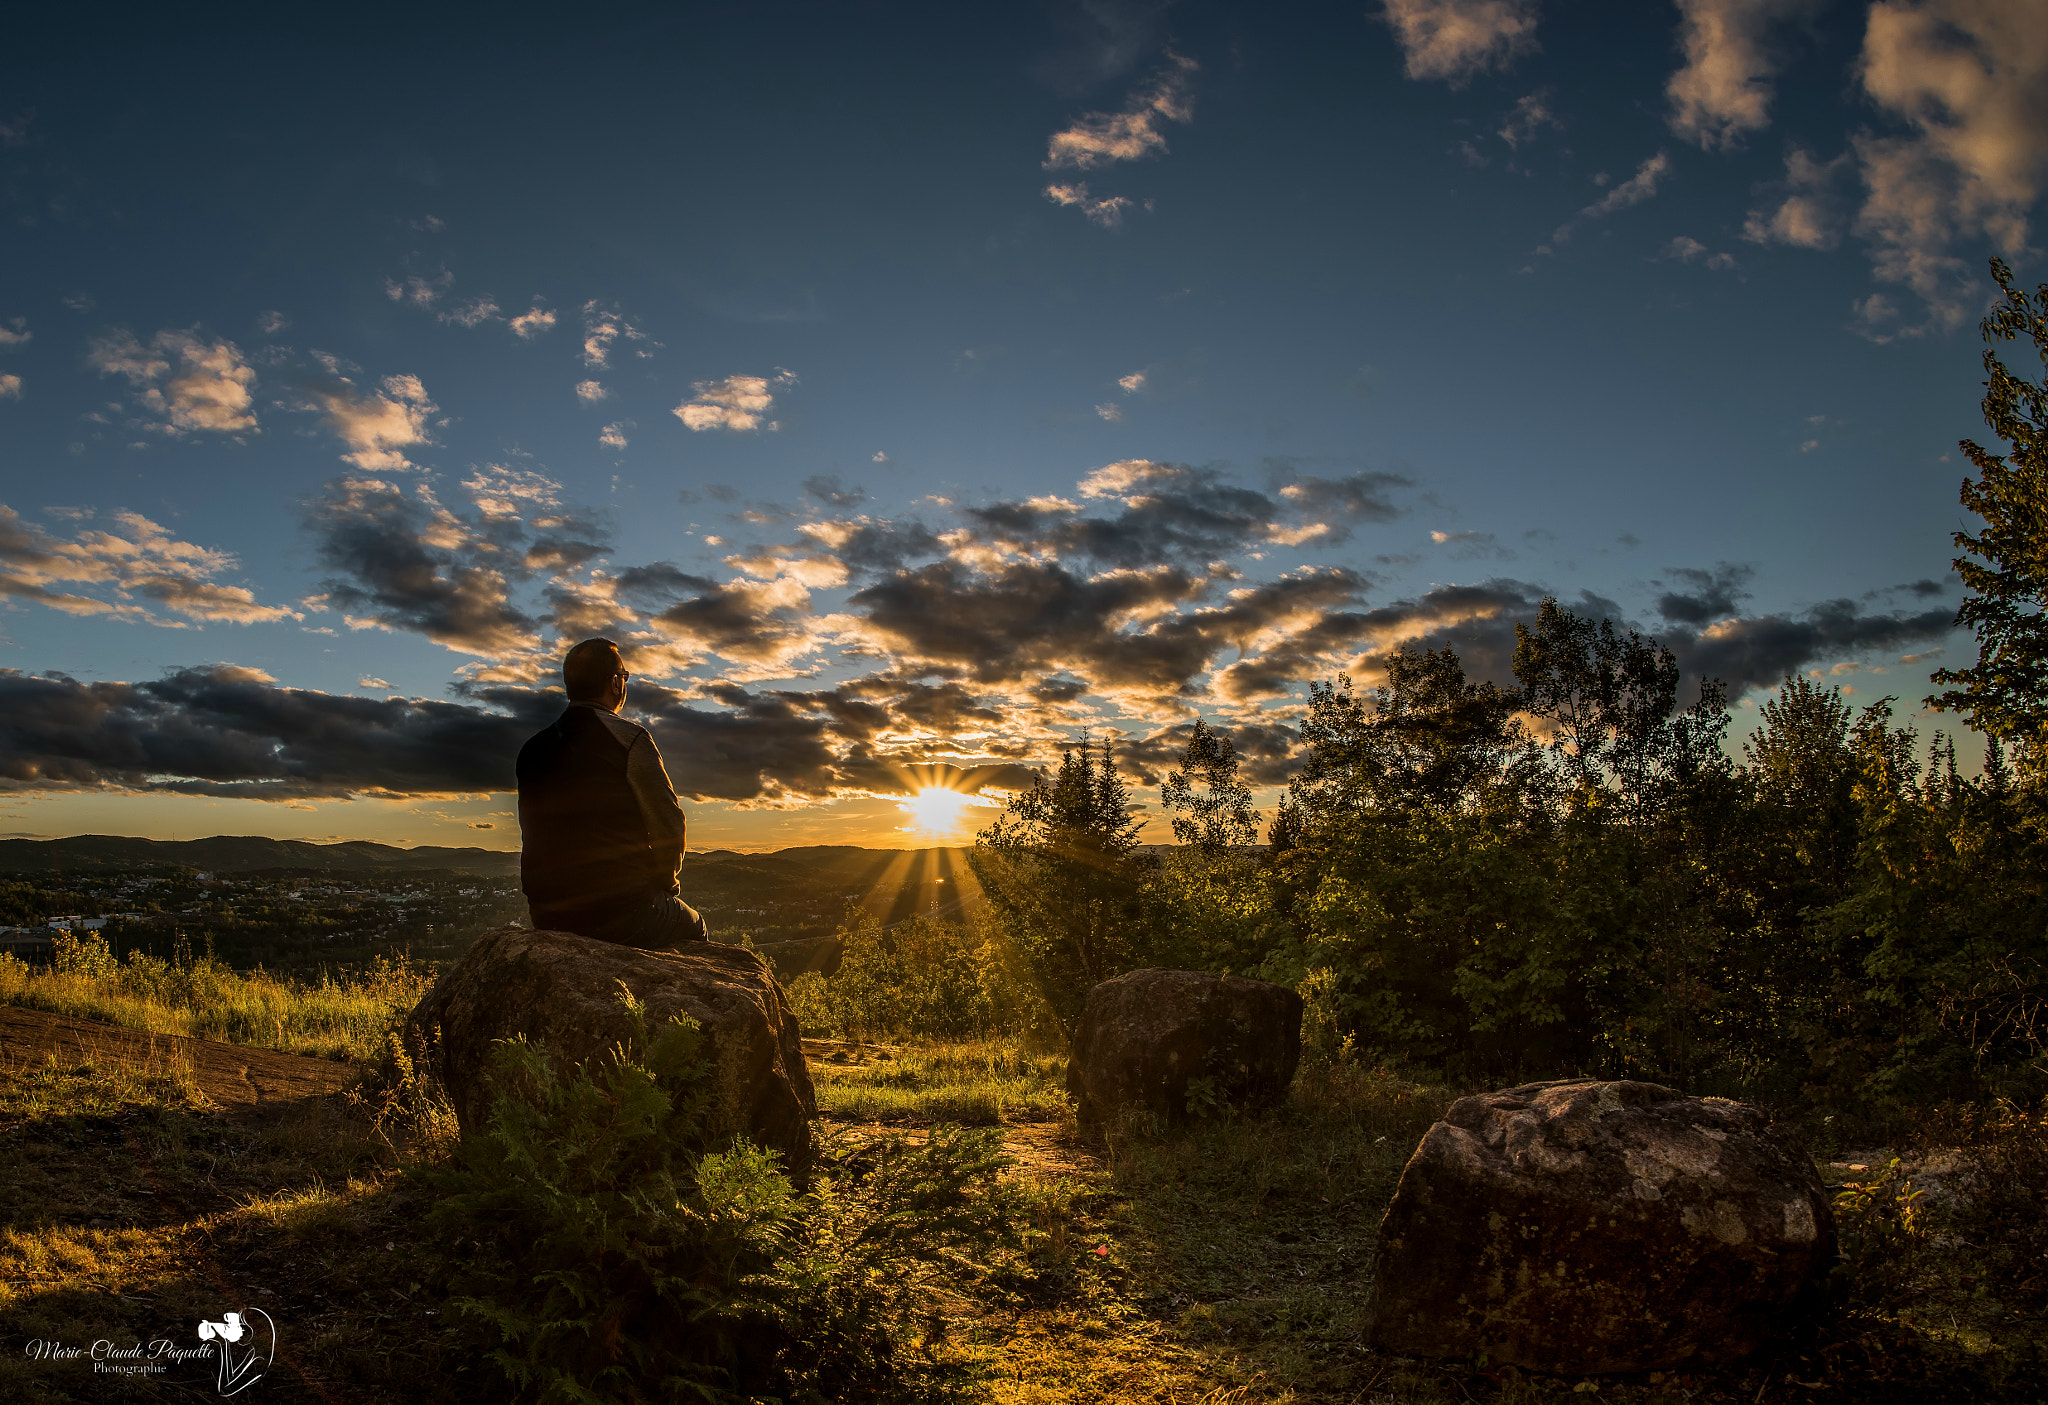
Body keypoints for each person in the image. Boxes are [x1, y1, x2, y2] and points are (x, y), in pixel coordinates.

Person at [516, 637, 709, 947]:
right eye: (625, 675)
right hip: (624, 911)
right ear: (615, 682)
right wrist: (665, 885)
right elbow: (669, 824)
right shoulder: (629, 740)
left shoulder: (531, 749)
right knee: (697, 928)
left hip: (547, 915)